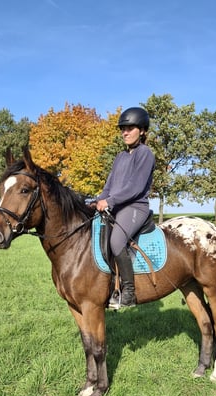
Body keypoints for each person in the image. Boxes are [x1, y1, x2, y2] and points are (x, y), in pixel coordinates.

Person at [94, 106, 155, 309]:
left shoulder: (145, 154)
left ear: (143, 130)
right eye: (123, 129)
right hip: (117, 206)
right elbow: (109, 186)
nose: (125, 133)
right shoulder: (120, 157)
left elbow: (134, 188)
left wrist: (109, 202)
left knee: (117, 240)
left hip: (135, 207)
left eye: (130, 128)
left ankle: (128, 292)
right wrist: (97, 201)